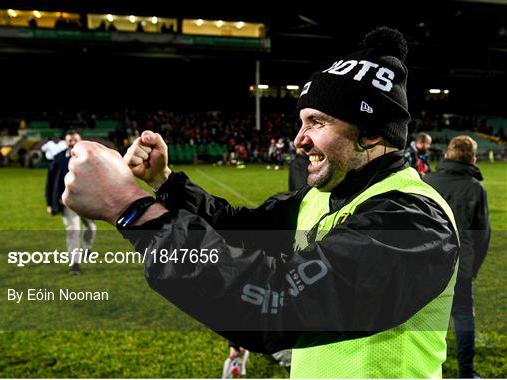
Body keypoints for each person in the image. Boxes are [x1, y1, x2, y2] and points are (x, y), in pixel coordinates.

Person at [62, 28, 459, 378]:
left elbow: (274, 301)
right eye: (301, 122)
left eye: (317, 122)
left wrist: (130, 206)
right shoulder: (321, 199)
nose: (299, 139)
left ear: (371, 133)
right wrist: (164, 184)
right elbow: (236, 230)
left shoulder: (414, 222)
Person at [424, 136, 491, 379]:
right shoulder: (475, 187)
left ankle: (426, 367)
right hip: (461, 263)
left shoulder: (427, 180)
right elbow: (483, 235)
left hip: (427, 262)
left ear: (448, 154)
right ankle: (466, 373)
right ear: (472, 158)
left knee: (425, 315)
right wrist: (472, 268)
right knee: (463, 315)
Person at [45, 130, 96, 275]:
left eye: (75, 140)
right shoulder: (58, 159)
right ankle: (75, 264)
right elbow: (49, 183)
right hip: (66, 202)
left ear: (80, 141)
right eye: (69, 140)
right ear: (65, 142)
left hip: (86, 201)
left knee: (91, 228)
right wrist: (50, 203)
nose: (72, 142)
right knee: (73, 231)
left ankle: (87, 249)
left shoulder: (89, 158)